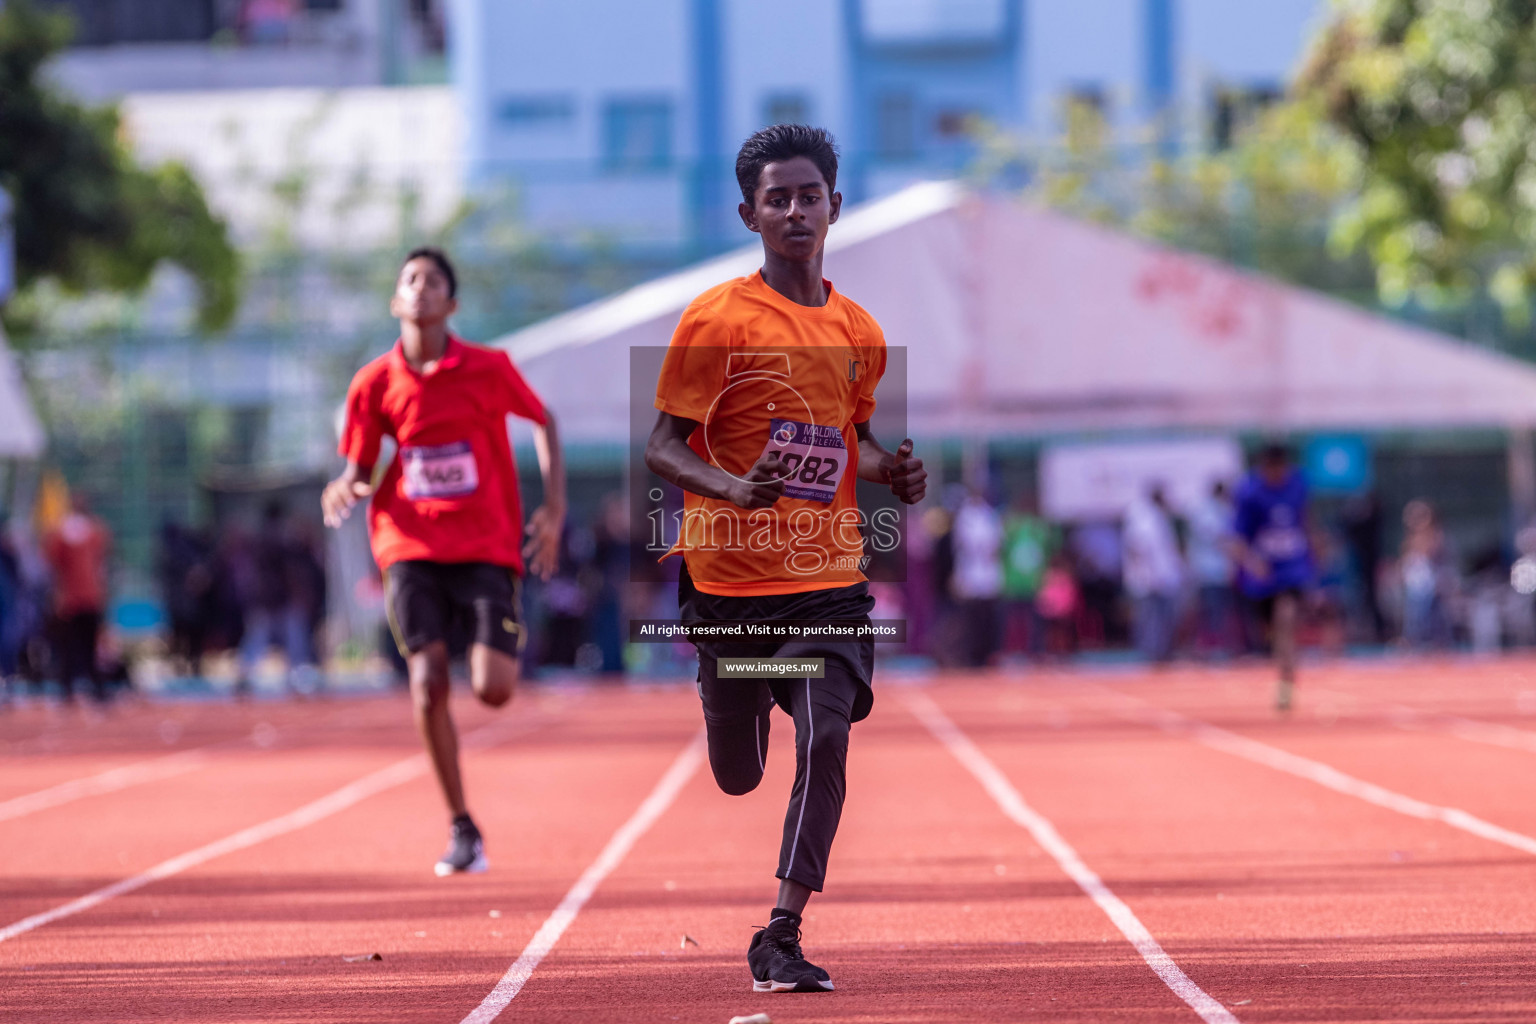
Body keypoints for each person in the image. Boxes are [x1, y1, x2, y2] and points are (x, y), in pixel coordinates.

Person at [645, 124, 926, 994]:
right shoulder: (716, 318)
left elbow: (852, 443)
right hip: (729, 589)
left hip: (828, 583)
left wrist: (893, 470)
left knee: (827, 735)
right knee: (738, 775)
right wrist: (729, 489)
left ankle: (782, 930)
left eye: (810, 195)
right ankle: (727, 701)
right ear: (749, 214)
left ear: (836, 206)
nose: (796, 210)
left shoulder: (861, 333)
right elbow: (661, 447)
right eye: (779, 198)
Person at [322, 246, 566, 876]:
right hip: (408, 546)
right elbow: (358, 464)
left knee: (492, 690)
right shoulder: (372, 383)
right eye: (410, 280)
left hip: (486, 546)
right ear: (395, 301)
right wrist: (345, 485)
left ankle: (485, 632)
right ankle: (462, 825)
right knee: (428, 680)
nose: (421, 289)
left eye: (434, 282)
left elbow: (545, 420)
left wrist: (555, 509)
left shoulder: (489, 367)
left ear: (451, 304)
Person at [1231, 443, 1313, 711]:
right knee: (1270, 632)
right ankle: (1278, 658)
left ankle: (1286, 684)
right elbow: (1236, 538)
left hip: (1291, 568)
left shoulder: (1298, 485)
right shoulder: (1249, 492)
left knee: (1285, 620)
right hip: (1263, 573)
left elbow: (1306, 519)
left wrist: (1315, 550)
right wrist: (1251, 561)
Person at [43, 493, 112, 703]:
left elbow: (102, 561)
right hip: (78, 598)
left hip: (81, 598)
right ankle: (79, 689)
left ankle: (85, 688)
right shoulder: (82, 531)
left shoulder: (82, 530)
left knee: (81, 646)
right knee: (77, 645)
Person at [1122, 483, 1183, 663]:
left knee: (1163, 619)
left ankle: (1160, 653)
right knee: (1149, 619)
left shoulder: (1158, 517)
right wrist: (1145, 574)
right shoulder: (1141, 517)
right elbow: (1136, 548)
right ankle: (1149, 654)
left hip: (1163, 577)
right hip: (1148, 579)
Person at [1186, 480, 1238, 656]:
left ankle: (1217, 647)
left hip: (1221, 572)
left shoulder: (1223, 510)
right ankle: (1209, 648)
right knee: (1211, 612)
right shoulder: (1205, 511)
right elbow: (1219, 538)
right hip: (1208, 572)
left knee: (1220, 612)